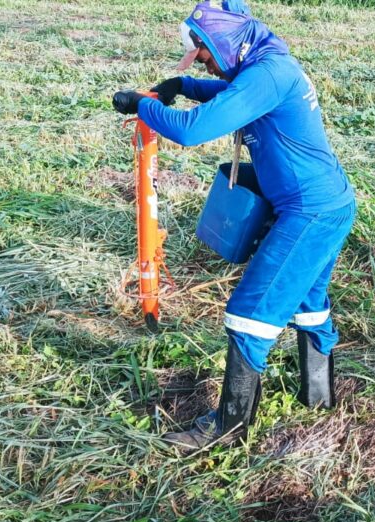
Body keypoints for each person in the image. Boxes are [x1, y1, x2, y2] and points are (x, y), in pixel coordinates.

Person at [111, 2, 357, 453]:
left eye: (203, 49)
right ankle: (319, 399)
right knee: (308, 304)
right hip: (330, 203)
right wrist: (182, 85)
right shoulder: (269, 66)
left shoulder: (267, 75)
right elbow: (230, 93)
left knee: (249, 314)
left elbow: (189, 131)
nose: (200, 56)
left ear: (226, 41)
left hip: (310, 212)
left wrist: (146, 106)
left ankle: (228, 427)